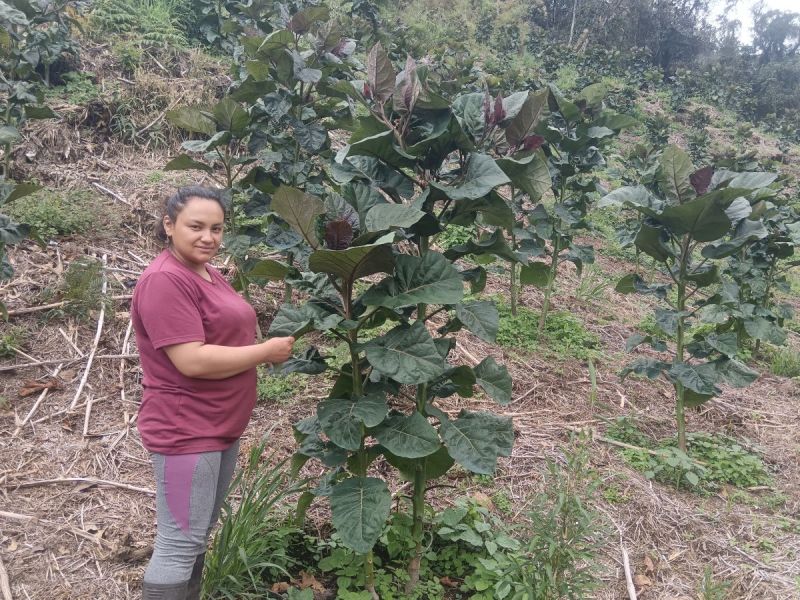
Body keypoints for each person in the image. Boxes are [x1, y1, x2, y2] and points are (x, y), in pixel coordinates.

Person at [131, 186, 294, 600]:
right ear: (169, 226)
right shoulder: (165, 280)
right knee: (179, 542)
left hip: (219, 425)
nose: (208, 237)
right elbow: (191, 360)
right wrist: (265, 352)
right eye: (196, 226)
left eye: (217, 228)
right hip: (187, 429)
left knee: (197, 535)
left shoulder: (203, 270)